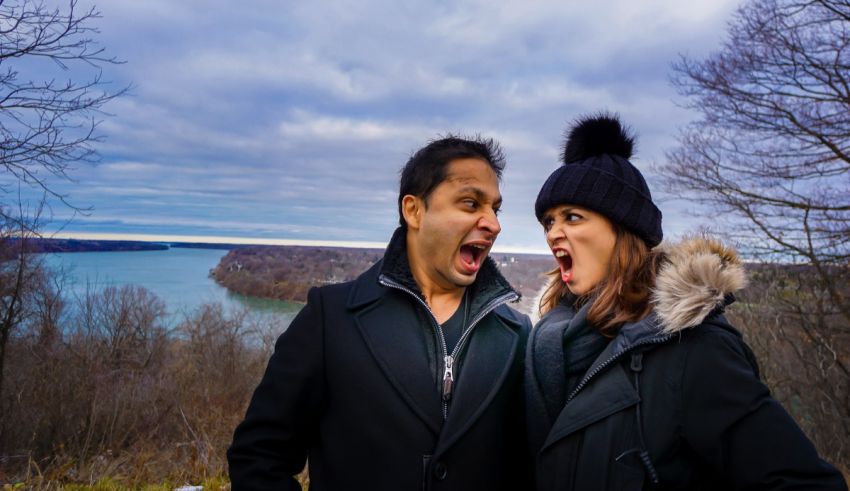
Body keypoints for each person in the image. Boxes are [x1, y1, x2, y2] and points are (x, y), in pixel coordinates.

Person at [525, 113, 848, 490]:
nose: (553, 233)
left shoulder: (694, 350)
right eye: (548, 222)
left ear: (624, 230)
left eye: (572, 217)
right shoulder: (550, 343)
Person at [228, 136, 531, 490]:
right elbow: (258, 459)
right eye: (470, 203)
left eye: (495, 209)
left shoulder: (517, 335)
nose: (493, 223)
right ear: (414, 210)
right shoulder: (332, 319)